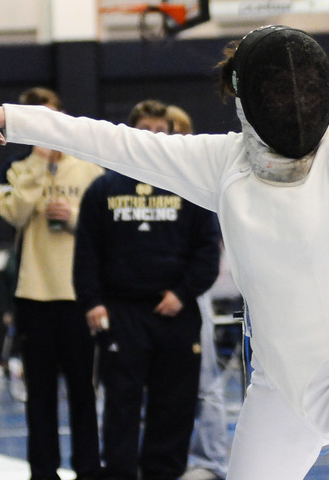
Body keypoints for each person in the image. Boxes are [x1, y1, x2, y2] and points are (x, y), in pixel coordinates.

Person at [0, 26, 329, 480]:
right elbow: (112, 143)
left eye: (301, 88)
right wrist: (12, 118)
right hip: (279, 392)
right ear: (248, 98)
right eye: (278, 90)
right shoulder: (221, 162)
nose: (293, 101)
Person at [73, 100, 221, 480]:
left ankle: (164, 475)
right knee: (121, 405)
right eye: (147, 130)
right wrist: (92, 303)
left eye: (161, 130)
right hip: (122, 315)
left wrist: (183, 293)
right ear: (132, 134)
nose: (154, 137)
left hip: (175, 310)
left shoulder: (191, 189)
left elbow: (207, 250)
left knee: (174, 407)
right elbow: (87, 253)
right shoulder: (103, 189)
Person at [0, 86, 103, 480]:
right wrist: (38, 161)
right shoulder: (16, 169)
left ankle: (89, 469)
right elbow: (15, 214)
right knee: (39, 396)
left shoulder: (89, 167)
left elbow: (103, 228)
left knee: (83, 393)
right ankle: (43, 472)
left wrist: (71, 217)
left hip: (78, 296)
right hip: (34, 296)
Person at [166, 103, 232, 480]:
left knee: (205, 378)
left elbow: (209, 244)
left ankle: (211, 461)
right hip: (153, 292)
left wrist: (188, 287)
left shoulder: (200, 176)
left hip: (193, 289)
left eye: (175, 132)